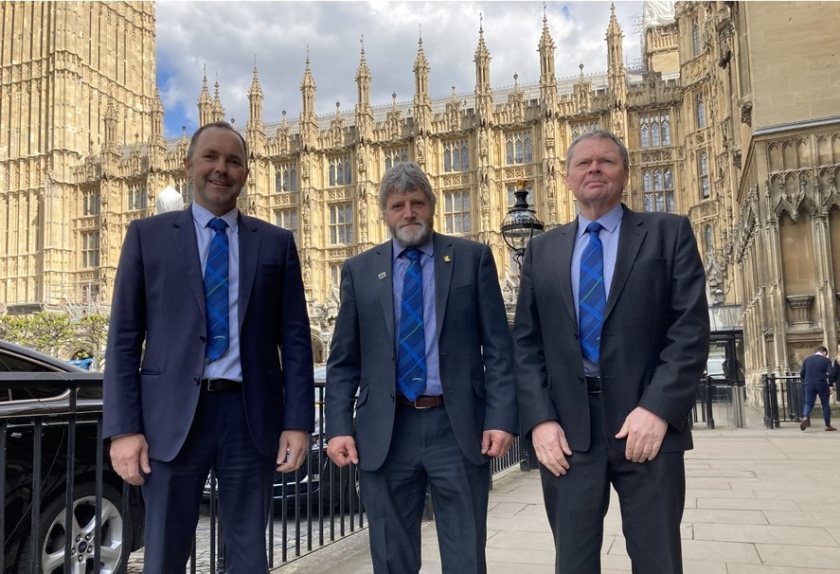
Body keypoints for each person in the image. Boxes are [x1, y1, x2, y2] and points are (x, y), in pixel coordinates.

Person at [103, 121, 314, 573]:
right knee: (164, 554)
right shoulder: (148, 236)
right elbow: (122, 340)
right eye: (211, 158)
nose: (222, 169)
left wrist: (298, 422)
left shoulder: (276, 243)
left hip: (249, 416)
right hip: (171, 420)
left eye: (234, 161)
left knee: (247, 555)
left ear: (246, 173)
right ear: (188, 166)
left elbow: (295, 340)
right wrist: (123, 428)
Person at [513, 129, 710, 574]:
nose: (594, 169)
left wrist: (657, 410)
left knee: (657, 558)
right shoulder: (541, 249)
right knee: (574, 562)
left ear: (625, 173)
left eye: (606, 161)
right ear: (566, 178)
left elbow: (690, 330)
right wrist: (540, 421)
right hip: (568, 433)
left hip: (647, 427)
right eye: (583, 163)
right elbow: (525, 346)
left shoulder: (668, 233)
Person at [325, 161, 517, 573]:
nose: (408, 213)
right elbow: (343, 361)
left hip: (456, 425)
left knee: (465, 555)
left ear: (432, 205)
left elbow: (499, 349)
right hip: (386, 431)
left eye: (417, 203)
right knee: (392, 558)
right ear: (384, 212)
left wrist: (501, 418)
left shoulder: (472, 259)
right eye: (398, 205)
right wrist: (339, 426)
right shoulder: (359, 271)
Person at [799, 345, 836, 431]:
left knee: (808, 403)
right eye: (826, 354)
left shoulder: (807, 360)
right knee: (825, 404)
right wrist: (830, 384)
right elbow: (830, 374)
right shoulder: (826, 360)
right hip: (822, 383)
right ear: (824, 352)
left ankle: (805, 417)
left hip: (809, 384)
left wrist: (806, 381)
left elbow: (802, 373)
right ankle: (828, 425)